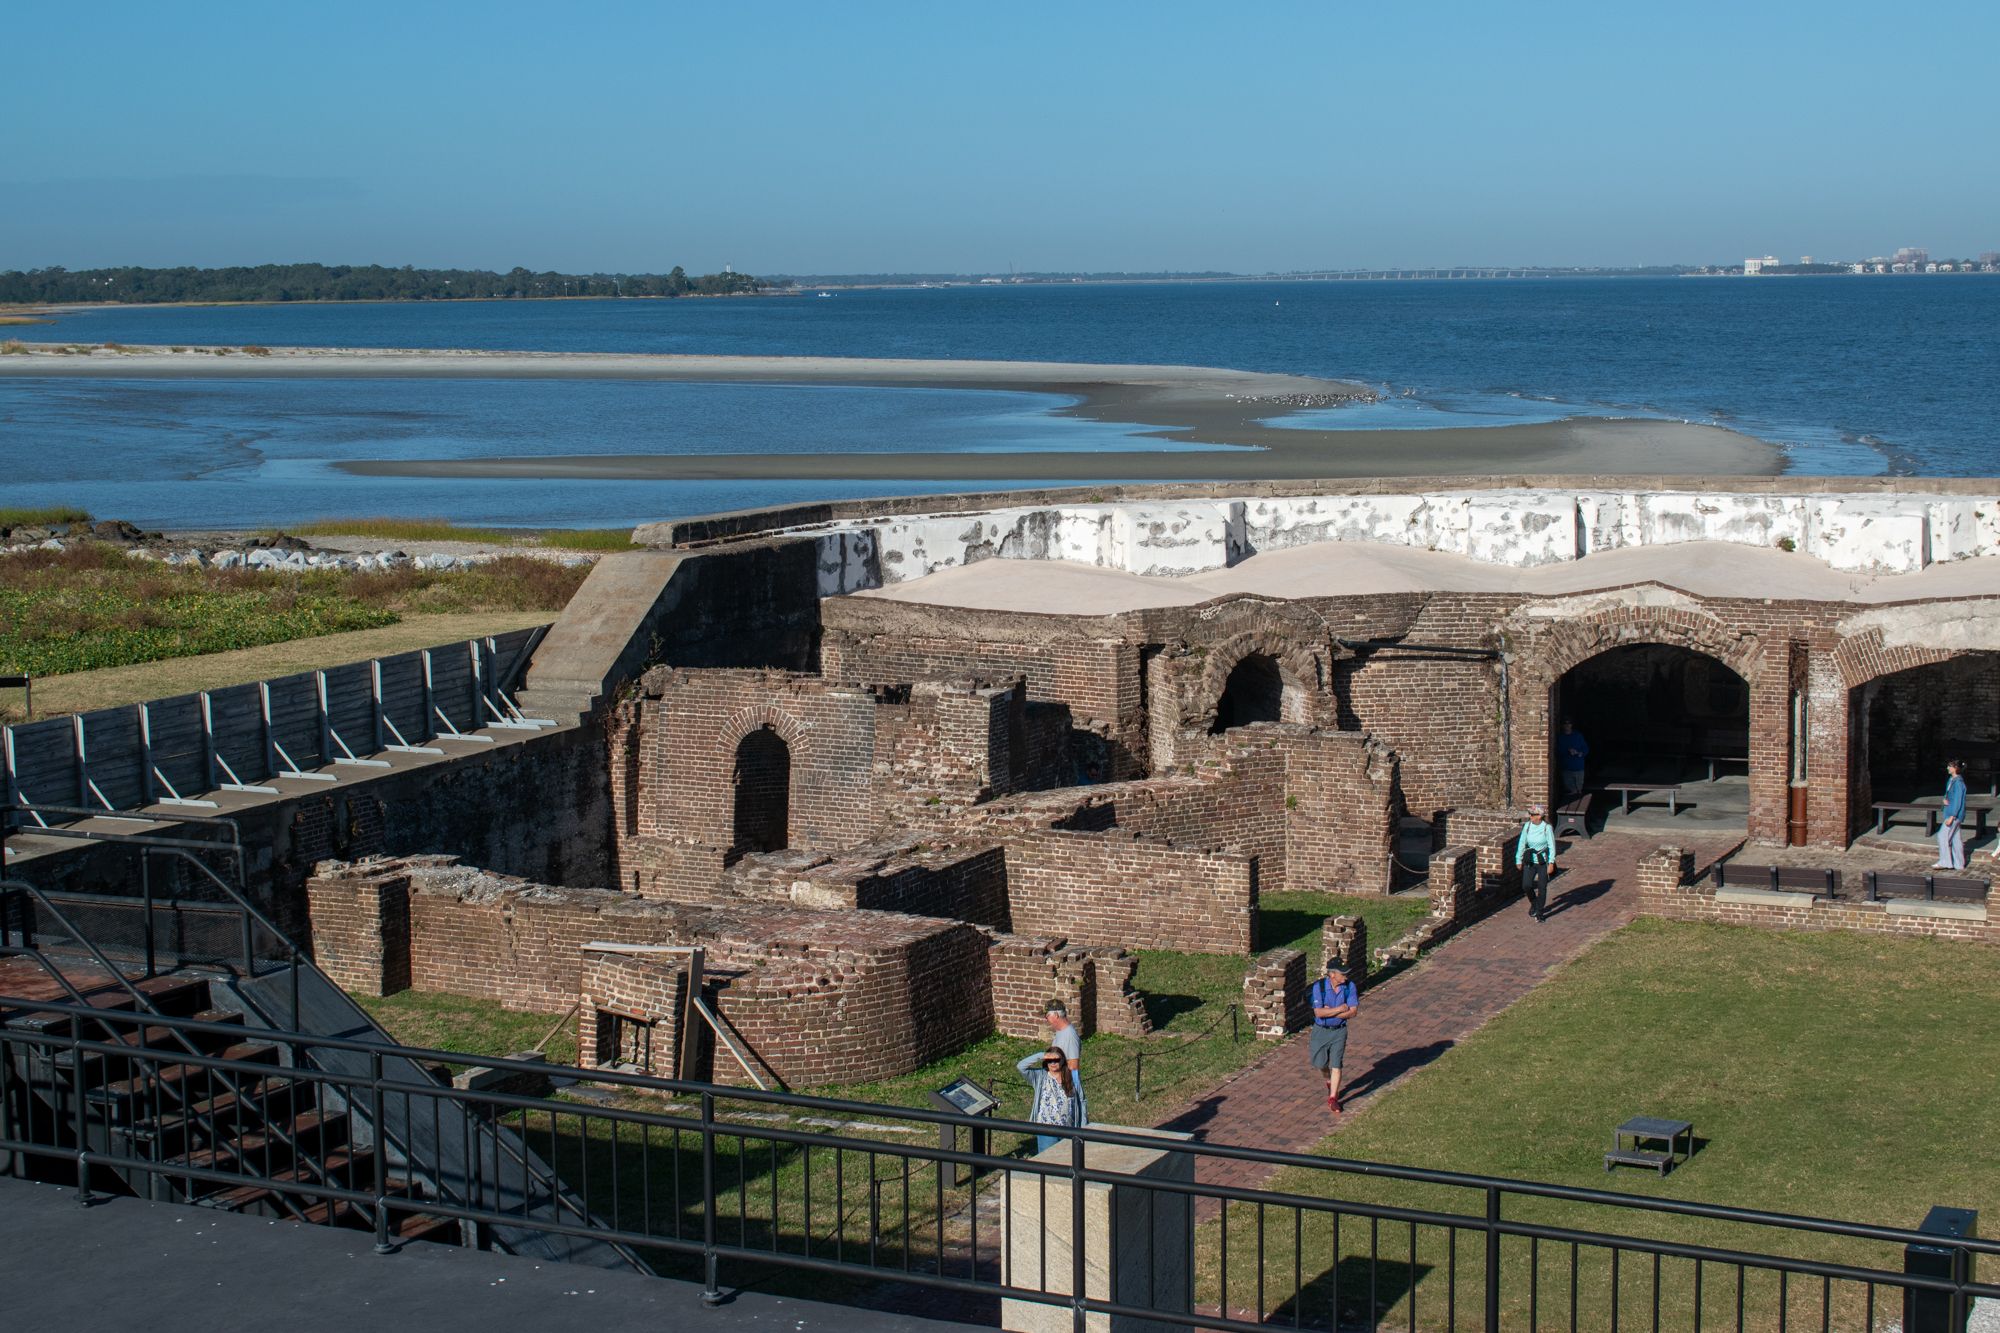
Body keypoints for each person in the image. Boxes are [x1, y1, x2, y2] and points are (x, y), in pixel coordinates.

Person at [1016, 1046, 1087, 1155]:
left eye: (1056, 1060)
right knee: (1048, 1162)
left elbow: (1081, 1101)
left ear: (1062, 1060)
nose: (1053, 1063)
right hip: (1046, 1130)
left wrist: (1083, 1125)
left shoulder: (1073, 1077)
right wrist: (1042, 1055)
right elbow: (1021, 1066)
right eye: (1049, 1060)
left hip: (1068, 1129)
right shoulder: (1040, 1076)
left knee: (1066, 1163)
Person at [1309, 961, 1358, 1113]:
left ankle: (1333, 1098)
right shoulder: (1319, 988)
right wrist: (1341, 1008)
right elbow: (1318, 1013)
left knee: (1337, 1064)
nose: (1345, 976)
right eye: (1342, 973)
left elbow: (1353, 1012)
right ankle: (1329, 1081)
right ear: (1332, 974)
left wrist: (1331, 1011)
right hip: (1321, 1030)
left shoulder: (1350, 987)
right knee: (1320, 1064)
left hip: (1339, 1030)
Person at [1517, 805, 1557, 921]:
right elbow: (1522, 843)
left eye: (1532, 814)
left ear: (1539, 816)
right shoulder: (1527, 826)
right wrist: (1518, 859)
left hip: (1542, 862)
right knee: (1526, 885)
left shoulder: (1547, 828)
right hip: (1530, 860)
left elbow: (1551, 845)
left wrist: (1551, 862)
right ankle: (1534, 903)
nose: (1530, 816)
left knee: (1542, 887)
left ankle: (1540, 913)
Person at [1935, 759, 1968, 870]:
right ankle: (1959, 864)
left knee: (1942, 836)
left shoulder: (1958, 783)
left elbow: (1958, 801)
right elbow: (1947, 794)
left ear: (1954, 768)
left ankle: (1945, 862)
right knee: (1956, 839)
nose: (1947, 768)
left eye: (1949, 766)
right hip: (1951, 814)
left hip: (1953, 816)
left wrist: (1952, 816)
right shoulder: (1951, 780)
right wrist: (1944, 799)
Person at [1045, 1000, 1080, 1076]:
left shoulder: (1070, 1036)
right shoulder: (1061, 1031)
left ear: (1055, 1014)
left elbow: (1073, 1068)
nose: (1046, 1019)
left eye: (1047, 1016)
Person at [1557, 720, 1589, 797]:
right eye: (1565, 723)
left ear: (1571, 725)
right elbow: (1557, 752)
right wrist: (1568, 750)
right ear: (1562, 725)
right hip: (1567, 768)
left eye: (1569, 723)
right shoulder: (1560, 737)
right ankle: (1573, 807)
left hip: (1579, 767)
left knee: (1579, 790)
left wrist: (1581, 753)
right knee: (1572, 790)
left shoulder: (1578, 735)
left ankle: (1580, 807)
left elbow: (1585, 748)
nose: (1567, 725)